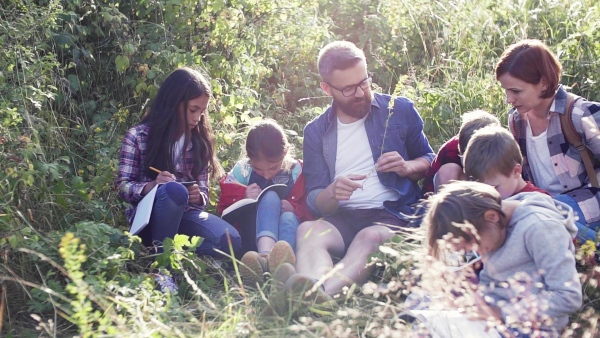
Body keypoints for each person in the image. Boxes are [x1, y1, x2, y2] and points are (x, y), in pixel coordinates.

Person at [281, 41, 435, 301]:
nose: (361, 93)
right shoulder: (316, 132)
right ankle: (312, 288)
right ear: (326, 88)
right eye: (349, 88)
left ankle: (316, 297)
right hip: (344, 217)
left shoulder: (400, 111)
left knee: (368, 237)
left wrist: (408, 166)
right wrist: (331, 193)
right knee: (307, 231)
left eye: (364, 82)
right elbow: (315, 199)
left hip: (392, 214)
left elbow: (430, 159)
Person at [117, 67, 241, 265]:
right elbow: (123, 187)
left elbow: (204, 194)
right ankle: (163, 268)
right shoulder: (138, 137)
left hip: (187, 216)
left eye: (202, 111)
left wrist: (198, 197)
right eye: (193, 110)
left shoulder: (199, 141)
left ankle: (164, 251)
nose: (198, 117)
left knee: (230, 240)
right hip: (148, 218)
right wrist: (152, 186)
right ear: (175, 103)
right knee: (174, 191)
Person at [424, 181, 582, 336]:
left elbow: (568, 296)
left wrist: (502, 313)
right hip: (495, 321)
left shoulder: (540, 228)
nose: (477, 253)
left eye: (474, 245)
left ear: (492, 217)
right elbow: (493, 277)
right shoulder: (492, 228)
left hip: (532, 328)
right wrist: (473, 302)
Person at [496, 39, 600, 238]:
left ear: (543, 83)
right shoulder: (516, 120)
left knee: (538, 216)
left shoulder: (579, 114)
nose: (509, 99)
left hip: (585, 202)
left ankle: (593, 254)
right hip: (538, 201)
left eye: (516, 91)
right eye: (506, 91)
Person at [217, 119, 312, 285]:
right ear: (249, 158)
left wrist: (295, 208)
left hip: (288, 230)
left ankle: (283, 266)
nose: (266, 175)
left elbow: (313, 210)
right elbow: (224, 211)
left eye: (273, 168)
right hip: (252, 236)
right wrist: (243, 196)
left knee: (288, 217)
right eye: (258, 169)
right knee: (270, 198)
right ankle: (265, 258)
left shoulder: (298, 172)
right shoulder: (242, 171)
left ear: (286, 152)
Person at [464, 125, 596, 244]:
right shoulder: (501, 197)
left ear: (516, 171)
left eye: (494, 188)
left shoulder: (538, 200)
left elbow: (567, 241)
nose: (488, 195)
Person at [421, 109, 500, 195]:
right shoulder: (450, 152)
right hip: (438, 196)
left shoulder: (500, 147)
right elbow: (428, 188)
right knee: (450, 170)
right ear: (460, 149)